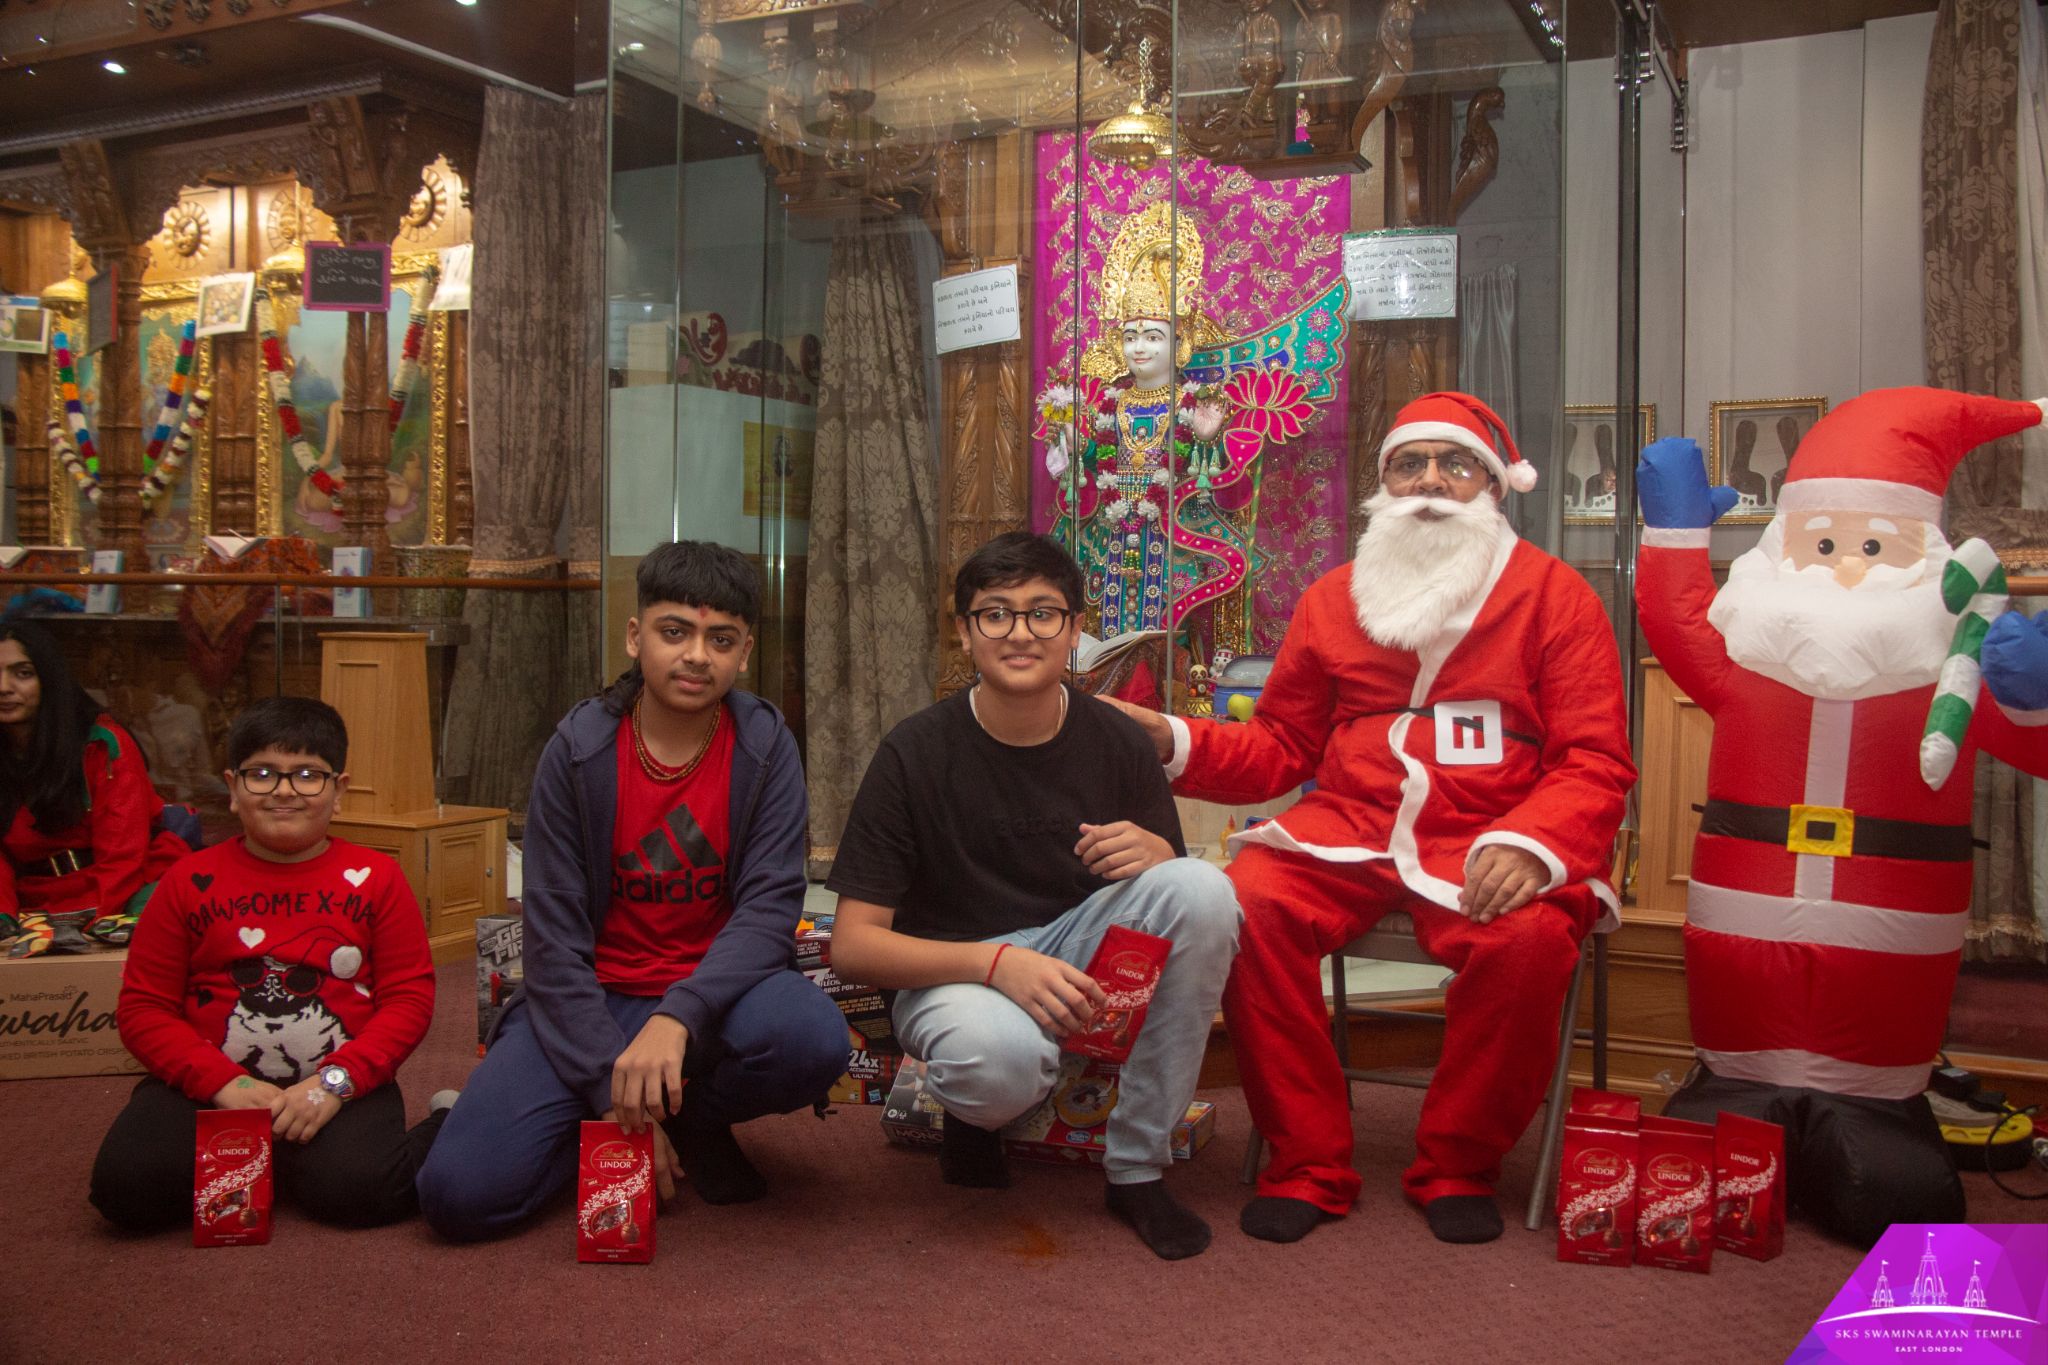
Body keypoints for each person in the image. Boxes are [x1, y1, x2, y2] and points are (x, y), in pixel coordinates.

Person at [1115, 392, 1636, 1245]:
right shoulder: (1333, 599)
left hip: (1494, 836)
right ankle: (1309, 1159)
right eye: (1408, 464)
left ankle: (1459, 1162)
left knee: (1530, 941)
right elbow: (1282, 744)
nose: (1430, 482)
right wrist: (1169, 740)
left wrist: (1536, 846)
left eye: (1455, 464)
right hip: (1348, 831)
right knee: (1250, 901)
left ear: (1496, 486)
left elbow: (1594, 761)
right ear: (1382, 484)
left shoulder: (1556, 597)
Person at [1635, 387, 2048, 1246]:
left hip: (1893, 953)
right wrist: (1673, 536)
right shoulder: (1750, 658)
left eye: (1874, 545)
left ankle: (1880, 1116)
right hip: (1740, 926)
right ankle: (1735, 1094)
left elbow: (2036, 747)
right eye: (1823, 546)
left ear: (1933, 556)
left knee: (1892, 1192)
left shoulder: (1953, 674)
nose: (1849, 567)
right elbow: (1678, 628)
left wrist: (2035, 697)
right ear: (1784, 550)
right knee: (1710, 1148)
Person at [827, 532, 1241, 1261]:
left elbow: (1175, 907)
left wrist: (1160, 856)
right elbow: (853, 944)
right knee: (996, 1068)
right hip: (956, 970)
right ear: (964, 630)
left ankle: (1138, 1166)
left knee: (1204, 889)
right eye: (996, 614)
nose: (1020, 633)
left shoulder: (1117, 741)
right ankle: (975, 1113)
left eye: (1043, 613)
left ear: (1076, 630)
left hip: (1075, 955)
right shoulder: (914, 752)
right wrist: (995, 964)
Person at [417, 541, 848, 1240]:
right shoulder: (580, 750)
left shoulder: (766, 746)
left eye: (721, 639)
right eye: (674, 631)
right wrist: (608, 1097)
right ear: (635, 635)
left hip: (712, 1000)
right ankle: (625, 1117)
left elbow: (770, 912)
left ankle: (690, 1113)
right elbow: (552, 943)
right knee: (459, 1197)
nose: (696, 655)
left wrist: (676, 1016)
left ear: (744, 653)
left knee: (809, 1037)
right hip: (586, 1000)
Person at [89, 696, 444, 1230]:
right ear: (232, 789)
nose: (283, 790)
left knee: (362, 1193)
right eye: (262, 774)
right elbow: (143, 1008)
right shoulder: (186, 880)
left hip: (339, 1081)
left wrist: (335, 1083)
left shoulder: (378, 878)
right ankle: (281, 1156)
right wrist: (227, 1087)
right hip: (209, 1084)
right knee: (124, 1195)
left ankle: (446, 1119)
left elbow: (409, 1000)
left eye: (307, 775)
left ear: (339, 790)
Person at [0, 619, 193, 957]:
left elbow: (123, 853)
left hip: (126, 887)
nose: (4, 687)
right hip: (31, 896)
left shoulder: (101, 745)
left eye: (23, 673)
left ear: (49, 679)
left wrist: (95, 925)